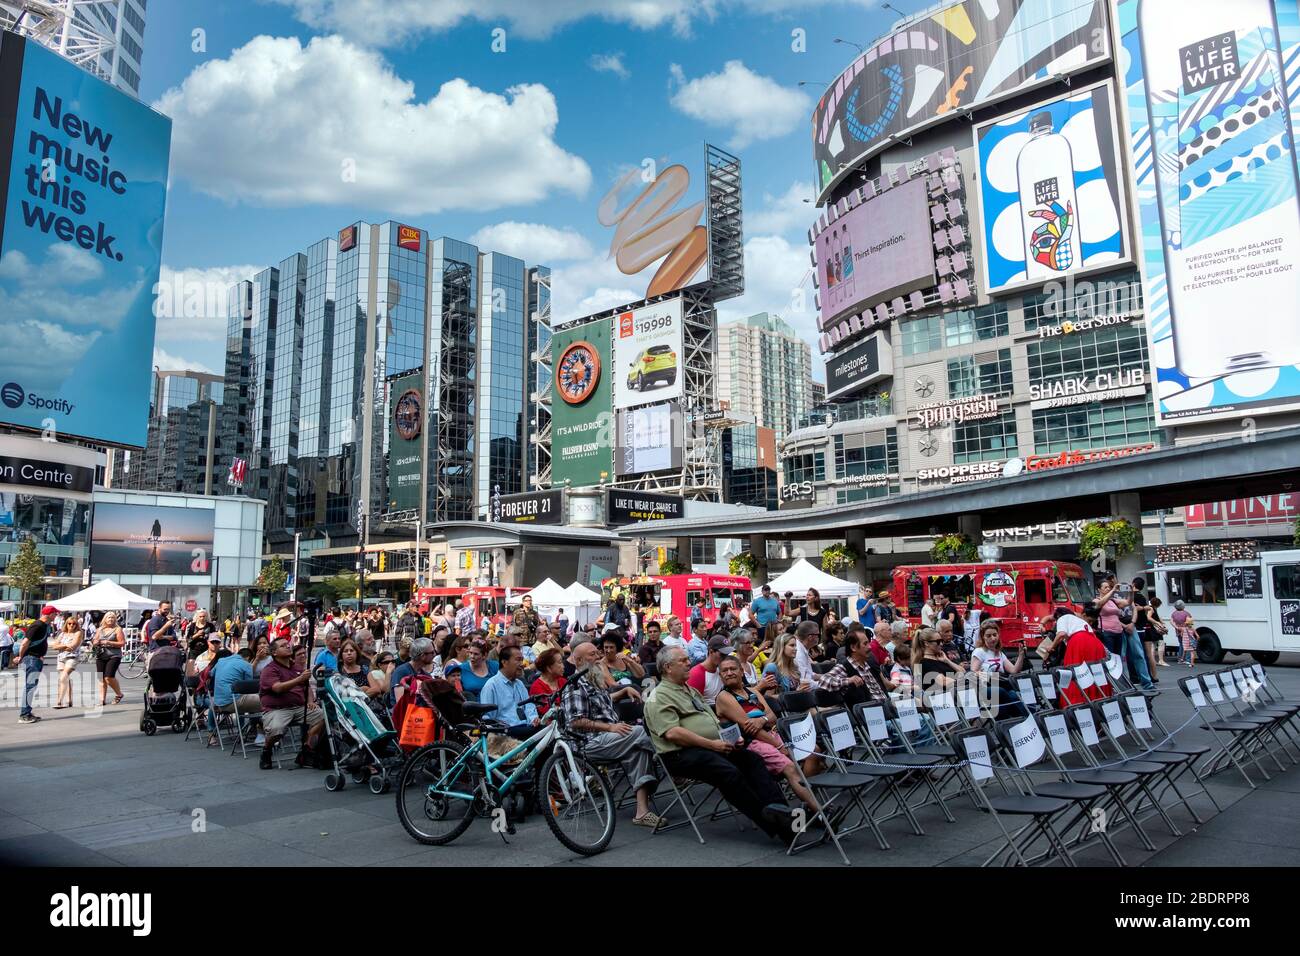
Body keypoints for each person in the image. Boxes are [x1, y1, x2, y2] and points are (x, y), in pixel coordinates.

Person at [645, 646, 796, 842]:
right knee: (728, 772)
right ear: (667, 667)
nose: (689, 663)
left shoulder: (688, 690)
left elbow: (713, 720)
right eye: (683, 660)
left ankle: (783, 813)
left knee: (753, 760)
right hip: (681, 753)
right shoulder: (659, 696)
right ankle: (777, 826)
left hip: (711, 746)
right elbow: (673, 733)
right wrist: (711, 744)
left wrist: (730, 737)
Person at [564, 641, 663, 828]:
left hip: (609, 739)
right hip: (588, 744)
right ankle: (670, 758)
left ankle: (642, 812)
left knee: (638, 750)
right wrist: (609, 728)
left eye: (597, 653)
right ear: (578, 660)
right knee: (641, 731)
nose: (598, 658)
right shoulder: (575, 685)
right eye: (592, 655)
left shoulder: (593, 679)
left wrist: (623, 691)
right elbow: (575, 721)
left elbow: (601, 702)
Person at [714, 657, 819, 815]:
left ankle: (807, 804)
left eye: (732, 669)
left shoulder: (753, 691)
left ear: (741, 671)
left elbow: (772, 716)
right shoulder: (724, 697)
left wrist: (761, 719)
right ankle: (820, 811)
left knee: (813, 752)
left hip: (771, 733)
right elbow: (750, 729)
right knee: (790, 767)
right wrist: (778, 745)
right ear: (720, 675)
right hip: (752, 743)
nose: (729, 673)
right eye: (724, 671)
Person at [258, 638, 325, 769]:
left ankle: (306, 750)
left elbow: (307, 688)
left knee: (323, 716)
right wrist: (299, 679)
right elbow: (278, 688)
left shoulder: (296, 667)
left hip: (299, 707)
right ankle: (266, 750)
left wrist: (310, 701)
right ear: (275, 653)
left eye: (288, 645)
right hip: (277, 709)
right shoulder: (269, 670)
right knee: (276, 730)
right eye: (283, 646)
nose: (288, 647)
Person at [479, 645, 540, 739]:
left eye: (522, 659)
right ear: (504, 662)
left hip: (527, 727)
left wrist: (533, 719)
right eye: (518, 660)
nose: (522, 664)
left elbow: (529, 706)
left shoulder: (519, 683)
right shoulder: (491, 686)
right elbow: (488, 719)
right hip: (507, 733)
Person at [15, 606, 55, 724]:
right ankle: (24, 714)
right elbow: (25, 642)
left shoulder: (43, 626)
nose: (56, 616)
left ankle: (27, 712)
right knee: (30, 686)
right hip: (32, 658)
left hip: (36, 658)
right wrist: (21, 657)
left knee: (31, 686)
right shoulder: (37, 625)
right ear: (50, 614)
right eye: (55, 614)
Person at [1122, 577, 1157, 690]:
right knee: (1145, 654)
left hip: (1134, 627)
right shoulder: (1142, 597)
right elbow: (1142, 609)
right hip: (1142, 627)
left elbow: (1133, 607)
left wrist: (1132, 622)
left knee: (1132, 655)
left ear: (1133, 584)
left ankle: (1135, 678)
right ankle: (1150, 677)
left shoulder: (1129, 596)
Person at [213, 646, 260, 721]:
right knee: (267, 700)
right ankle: (259, 727)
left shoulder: (221, 661)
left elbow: (211, 674)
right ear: (248, 658)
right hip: (232, 702)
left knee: (242, 696)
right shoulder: (246, 664)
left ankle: (247, 728)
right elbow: (249, 688)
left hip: (217, 702)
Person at [91, 610, 126, 706]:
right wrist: (95, 642)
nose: (110, 619)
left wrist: (109, 642)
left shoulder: (118, 629)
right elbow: (95, 640)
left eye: (112, 617)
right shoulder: (100, 629)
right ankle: (102, 699)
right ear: (105, 619)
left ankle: (119, 694)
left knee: (109, 677)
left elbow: (122, 643)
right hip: (101, 655)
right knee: (101, 678)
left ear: (115, 619)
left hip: (114, 655)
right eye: (108, 617)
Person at [687, 634, 732, 705]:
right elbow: (693, 705)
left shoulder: (721, 669)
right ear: (711, 652)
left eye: (727, 655)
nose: (725, 658)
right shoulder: (697, 674)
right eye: (722, 655)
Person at [53, 614, 84, 710]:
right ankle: (69, 700)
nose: (71, 625)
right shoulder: (62, 634)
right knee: (65, 678)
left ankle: (59, 701)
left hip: (72, 657)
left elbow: (73, 646)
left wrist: (61, 645)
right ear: (66, 624)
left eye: (74, 624)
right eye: (69, 623)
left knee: (63, 677)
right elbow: (54, 646)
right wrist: (65, 646)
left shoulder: (78, 633)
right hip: (61, 657)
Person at [529, 648, 567, 714]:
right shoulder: (537, 687)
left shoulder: (563, 681)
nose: (563, 666)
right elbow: (547, 713)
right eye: (560, 662)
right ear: (548, 668)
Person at [1144, 595, 1169, 677]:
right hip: (1153, 629)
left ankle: (1154, 660)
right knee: (1160, 643)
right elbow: (1149, 617)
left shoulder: (1151, 608)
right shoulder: (1151, 608)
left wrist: (1159, 621)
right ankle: (1161, 660)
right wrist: (1158, 623)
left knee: (1153, 645)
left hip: (1151, 628)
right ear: (1157, 604)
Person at [1171, 600, 1197, 666]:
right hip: (1186, 631)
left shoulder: (1173, 614)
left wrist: (1177, 627)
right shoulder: (1186, 613)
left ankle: (1180, 659)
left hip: (1178, 631)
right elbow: (1189, 622)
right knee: (1187, 645)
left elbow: (1171, 622)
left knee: (1181, 644)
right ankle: (1187, 659)